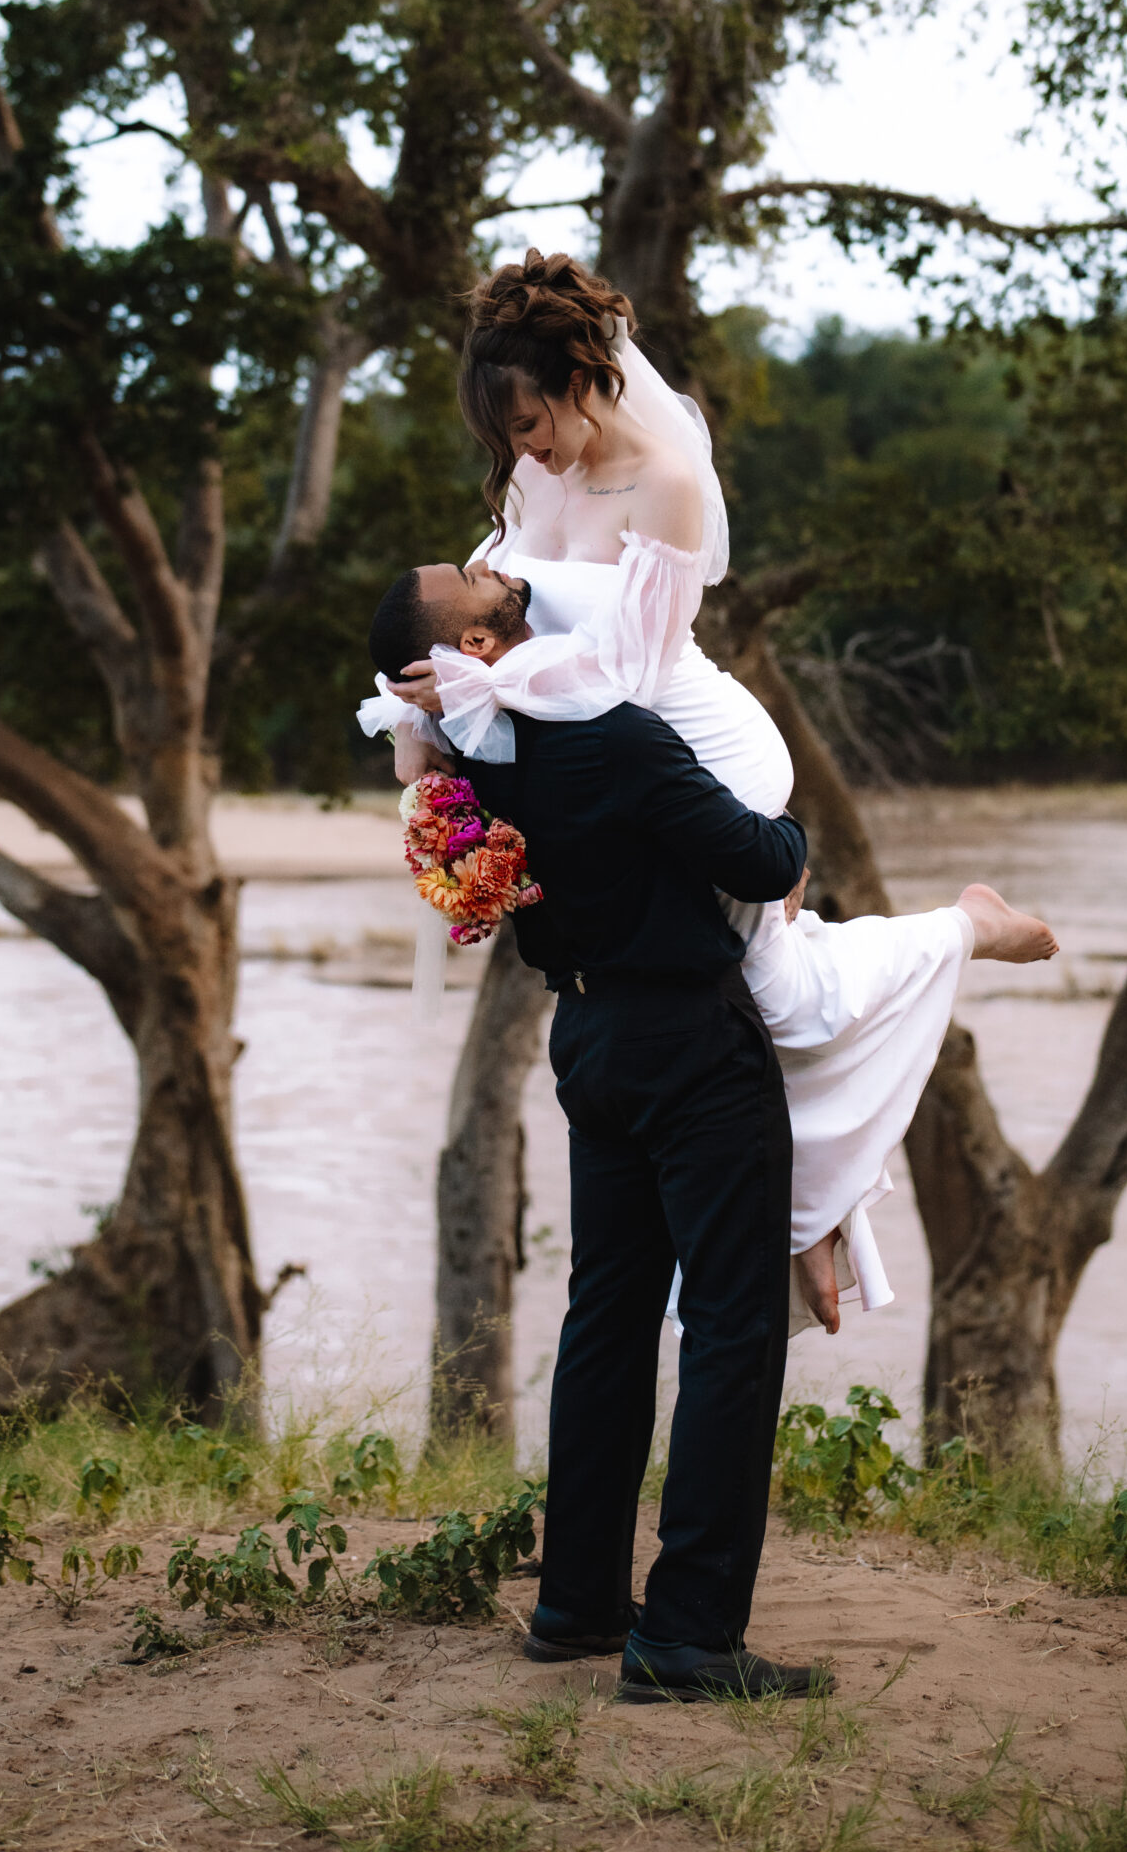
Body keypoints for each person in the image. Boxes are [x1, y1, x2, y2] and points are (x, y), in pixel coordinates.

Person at [361, 252, 1058, 1335]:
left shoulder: (667, 483)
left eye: (534, 424)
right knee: (755, 1005)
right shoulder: (533, 474)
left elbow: (627, 672)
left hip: (693, 753)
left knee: (771, 1000)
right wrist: (423, 713)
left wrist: (486, 681)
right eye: (510, 439)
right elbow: (467, 628)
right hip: (611, 763)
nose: (525, 454)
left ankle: (961, 933)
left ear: (585, 377)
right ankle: (817, 1220)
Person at [410, 682, 812, 1700]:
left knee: (608, 1315)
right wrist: (794, 827)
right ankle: (688, 1636)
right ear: (475, 647)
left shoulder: (472, 764)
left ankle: (579, 1603)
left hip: (586, 1036)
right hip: (689, 1039)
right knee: (732, 1327)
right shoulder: (617, 737)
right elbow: (766, 860)